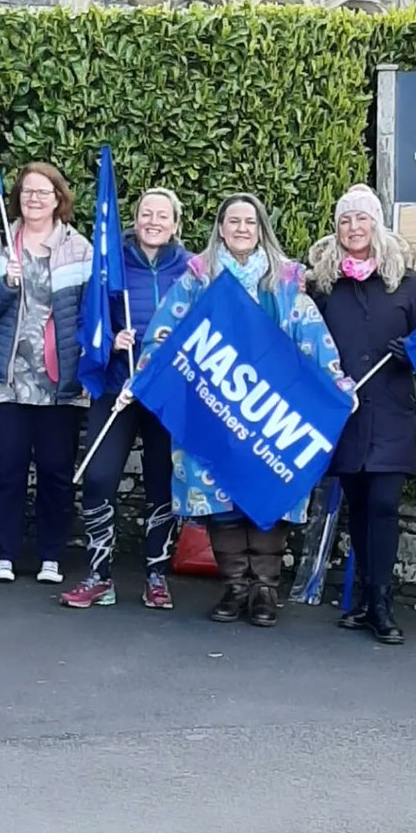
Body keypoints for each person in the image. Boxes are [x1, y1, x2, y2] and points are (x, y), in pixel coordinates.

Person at [135, 193, 353, 626]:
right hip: (216, 406)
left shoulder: (285, 281)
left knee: (270, 488)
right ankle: (235, 587)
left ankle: (264, 591)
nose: (240, 229)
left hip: (269, 407)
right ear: (220, 228)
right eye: (232, 221)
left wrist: (335, 380)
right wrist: (149, 370)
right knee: (223, 500)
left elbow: (310, 333)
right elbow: (165, 331)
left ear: (261, 229)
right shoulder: (199, 279)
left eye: (249, 222)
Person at [307, 184, 416, 646]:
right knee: (358, 506)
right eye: (345, 220)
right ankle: (363, 599)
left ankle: (381, 602)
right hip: (346, 416)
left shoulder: (408, 284)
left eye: (362, 219)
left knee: (382, 504)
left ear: (377, 226)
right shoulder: (322, 285)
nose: (353, 228)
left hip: (391, 413)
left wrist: (411, 355)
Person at [62, 189, 189, 610]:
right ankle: (99, 575)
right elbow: (89, 320)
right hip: (119, 385)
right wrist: (111, 341)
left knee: (162, 483)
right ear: (134, 219)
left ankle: (157, 575)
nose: (153, 221)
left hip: (166, 392)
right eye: (145, 213)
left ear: (175, 224)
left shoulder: (191, 270)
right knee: (99, 476)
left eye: (162, 215)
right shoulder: (110, 264)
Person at [0, 162, 92, 583]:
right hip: (6, 379)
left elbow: (93, 314)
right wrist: (4, 284)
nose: (33, 199)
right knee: (6, 468)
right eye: (26, 192)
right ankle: (3, 555)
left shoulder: (81, 249)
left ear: (59, 198)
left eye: (43, 192)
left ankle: (51, 556)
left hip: (60, 381)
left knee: (57, 470)